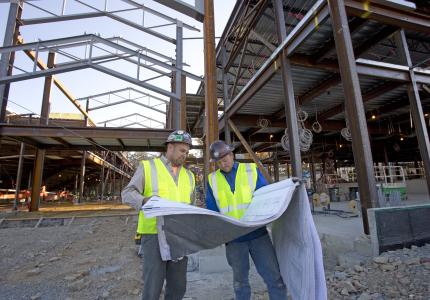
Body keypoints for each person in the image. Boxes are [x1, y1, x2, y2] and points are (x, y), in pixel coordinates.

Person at [206, 140, 287, 300]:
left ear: (232, 154)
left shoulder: (251, 170)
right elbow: (213, 211)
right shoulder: (212, 180)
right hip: (234, 240)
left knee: (274, 278)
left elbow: (265, 198)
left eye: (226, 158)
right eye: (219, 161)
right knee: (240, 283)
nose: (224, 163)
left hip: (258, 234)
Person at [122, 130, 195, 300]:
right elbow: (127, 193)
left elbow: (191, 206)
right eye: (182, 151)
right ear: (170, 147)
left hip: (179, 237)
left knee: (178, 286)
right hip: (154, 235)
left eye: (187, 152)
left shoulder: (190, 176)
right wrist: (145, 201)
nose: (185, 155)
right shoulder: (148, 167)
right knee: (153, 286)